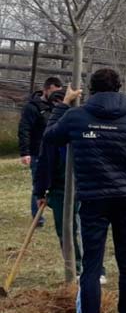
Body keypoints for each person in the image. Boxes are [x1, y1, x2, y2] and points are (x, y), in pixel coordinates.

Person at [42, 68, 126, 313]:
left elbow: (50, 137)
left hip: (93, 201)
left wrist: (63, 104)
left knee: (92, 268)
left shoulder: (76, 117)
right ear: (119, 88)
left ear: (91, 89)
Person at [32, 89, 83, 275]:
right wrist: (40, 191)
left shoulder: (83, 125)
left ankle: (87, 269)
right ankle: (74, 268)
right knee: (66, 229)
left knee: (82, 228)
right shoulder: (52, 135)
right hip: (60, 188)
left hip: (83, 184)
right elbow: (44, 162)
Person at [18, 76, 63, 226]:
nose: (56, 95)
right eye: (54, 91)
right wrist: (25, 152)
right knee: (38, 183)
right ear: (46, 89)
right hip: (37, 151)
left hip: (55, 152)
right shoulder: (32, 107)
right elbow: (24, 129)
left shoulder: (57, 106)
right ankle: (38, 218)